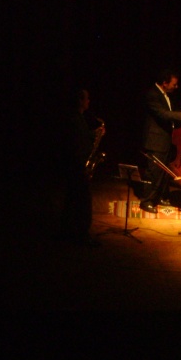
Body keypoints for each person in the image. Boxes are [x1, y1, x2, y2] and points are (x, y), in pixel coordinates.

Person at [139, 68, 181, 213]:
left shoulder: (165, 94)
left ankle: (158, 197)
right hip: (155, 141)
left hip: (165, 141)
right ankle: (146, 201)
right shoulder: (152, 95)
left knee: (163, 174)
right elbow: (164, 115)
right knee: (153, 173)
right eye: (174, 84)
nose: (176, 87)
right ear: (165, 83)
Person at [61, 88, 105, 246]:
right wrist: (85, 164)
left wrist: (94, 134)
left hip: (78, 164)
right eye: (86, 98)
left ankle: (72, 232)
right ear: (80, 100)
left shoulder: (78, 117)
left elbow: (83, 136)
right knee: (82, 201)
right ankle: (81, 235)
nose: (89, 101)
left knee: (74, 199)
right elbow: (76, 143)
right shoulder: (74, 119)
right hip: (78, 165)